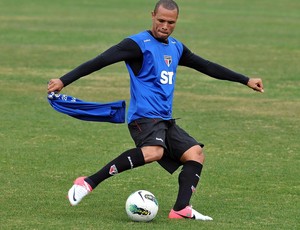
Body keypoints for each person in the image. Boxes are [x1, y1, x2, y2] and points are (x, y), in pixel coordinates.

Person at [47, 0, 264, 220]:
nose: (165, 26)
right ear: (152, 16)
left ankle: (181, 209)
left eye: (171, 22)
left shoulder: (176, 47)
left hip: (164, 120)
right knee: (154, 152)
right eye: (161, 20)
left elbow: (207, 66)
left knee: (195, 154)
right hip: (143, 118)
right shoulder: (137, 44)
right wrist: (64, 80)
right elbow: (100, 61)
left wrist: (245, 80)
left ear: (176, 22)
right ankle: (88, 182)